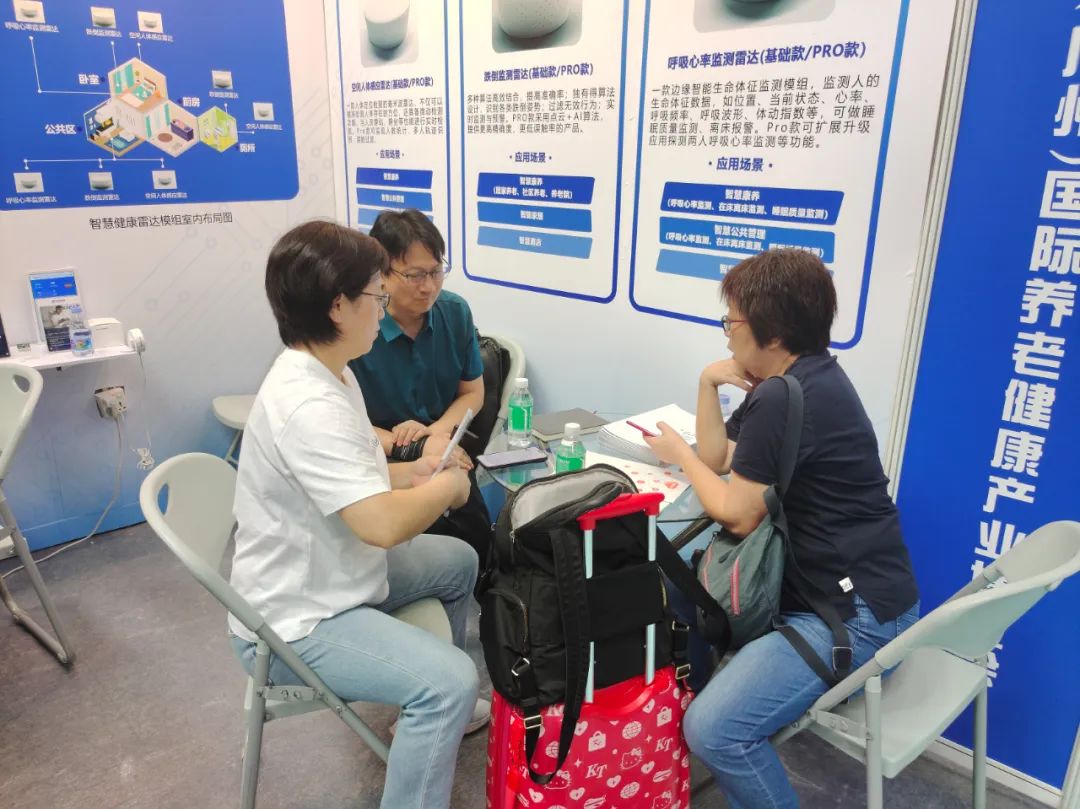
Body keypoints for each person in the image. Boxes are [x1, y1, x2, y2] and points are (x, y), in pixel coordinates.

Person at [644, 248, 920, 809]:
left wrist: (679, 455)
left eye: (732, 322)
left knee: (715, 730)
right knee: (683, 589)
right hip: (864, 595)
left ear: (770, 331)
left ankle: (723, 721)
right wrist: (707, 382)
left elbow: (736, 511)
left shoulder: (782, 395)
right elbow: (722, 457)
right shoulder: (808, 377)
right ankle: (715, 706)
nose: (727, 335)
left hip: (854, 618)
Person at [228, 220, 489, 809]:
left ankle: (427, 710)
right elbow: (380, 525)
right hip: (297, 619)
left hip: (336, 570)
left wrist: (417, 474)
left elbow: (357, 480)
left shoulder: (330, 370)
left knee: (457, 560)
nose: (385, 306)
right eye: (377, 294)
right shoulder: (309, 404)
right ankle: (434, 705)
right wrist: (448, 487)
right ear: (339, 306)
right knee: (448, 683)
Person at [348, 208, 492, 560]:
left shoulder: (454, 312)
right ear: (382, 274)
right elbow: (347, 422)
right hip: (376, 456)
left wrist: (435, 434)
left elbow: (472, 392)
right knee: (405, 549)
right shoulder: (358, 325)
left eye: (435, 271)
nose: (429, 286)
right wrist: (411, 447)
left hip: (442, 447)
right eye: (414, 275)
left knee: (477, 538)